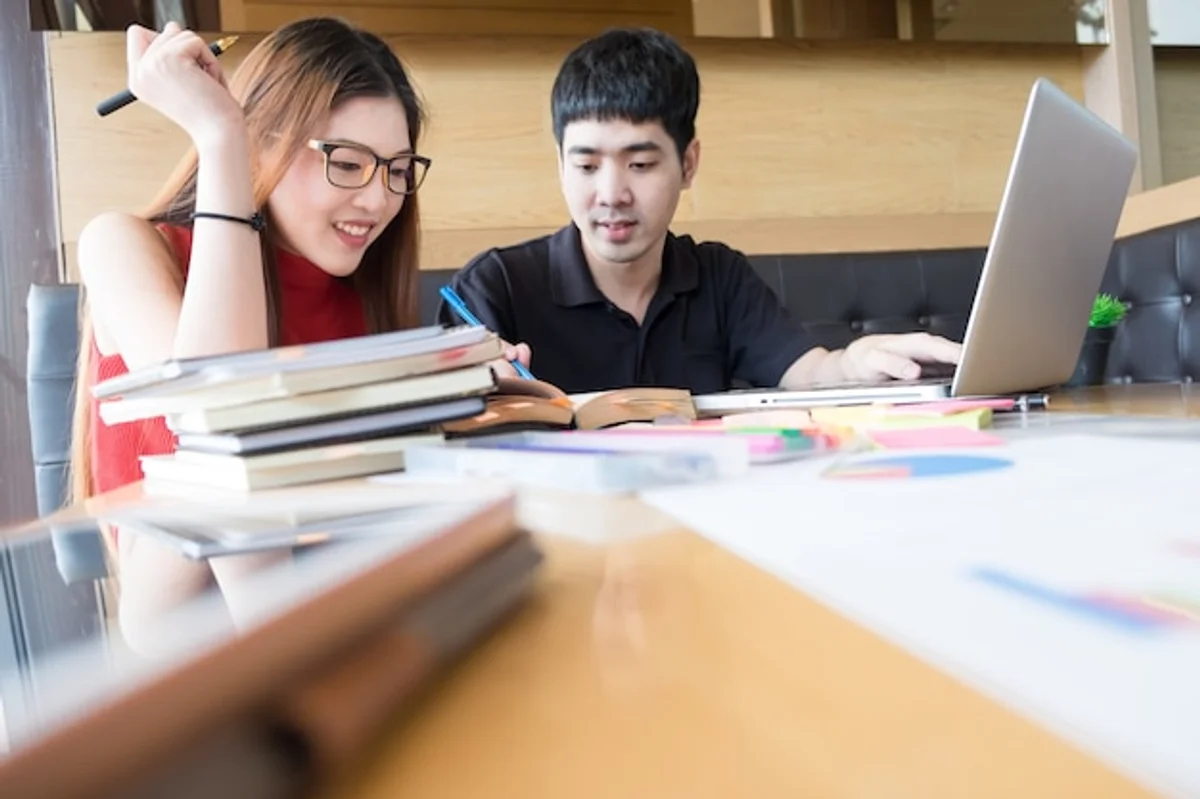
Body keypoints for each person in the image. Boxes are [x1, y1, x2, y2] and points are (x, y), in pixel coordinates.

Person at [68, 17, 438, 647]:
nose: (378, 200)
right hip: (183, 638)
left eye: (397, 170)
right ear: (261, 144)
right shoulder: (124, 245)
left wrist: (477, 402)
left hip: (344, 613)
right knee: (227, 444)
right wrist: (220, 136)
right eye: (348, 163)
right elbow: (215, 404)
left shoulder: (362, 293)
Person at [439, 27, 962, 395]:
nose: (612, 193)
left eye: (640, 164)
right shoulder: (495, 286)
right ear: (561, 167)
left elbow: (807, 371)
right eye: (587, 166)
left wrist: (855, 362)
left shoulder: (717, 276)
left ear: (687, 164)